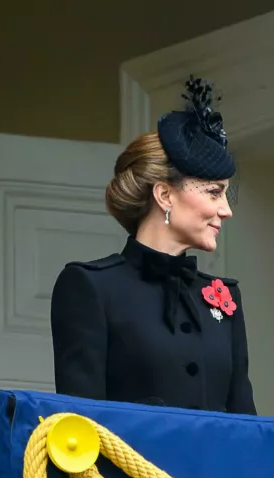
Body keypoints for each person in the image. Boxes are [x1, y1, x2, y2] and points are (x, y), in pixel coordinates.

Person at [49, 76, 256, 415]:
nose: (226, 210)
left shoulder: (224, 297)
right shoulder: (91, 286)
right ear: (164, 195)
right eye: (214, 193)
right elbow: (82, 423)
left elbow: (243, 420)